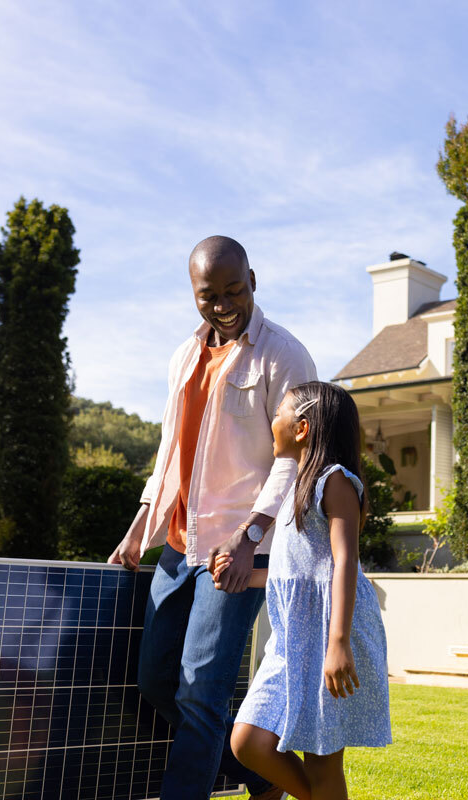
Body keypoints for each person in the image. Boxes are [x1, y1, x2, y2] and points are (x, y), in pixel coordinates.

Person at [108, 235, 316, 800]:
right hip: (181, 543)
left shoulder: (285, 355)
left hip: (239, 550)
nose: (223, 304)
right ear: (193, 294)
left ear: (253, 280)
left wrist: (251, 538)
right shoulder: (183, 356)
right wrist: (140, 527)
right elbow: (170, 449)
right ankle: (258, 774)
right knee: (156, 682)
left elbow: (294, 458)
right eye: (209, 295)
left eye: (233, 289)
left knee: (202, 692)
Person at [214, 381, 391, 800]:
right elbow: (297, 573)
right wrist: (243, 576)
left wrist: (338, 642)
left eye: (278, 413)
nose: (271, 421)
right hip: (292, 640)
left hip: (330, 634)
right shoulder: (295, 488)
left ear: (302, 428)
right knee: (248, 741)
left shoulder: (335, 482)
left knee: (321, 759)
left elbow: (345, 562)